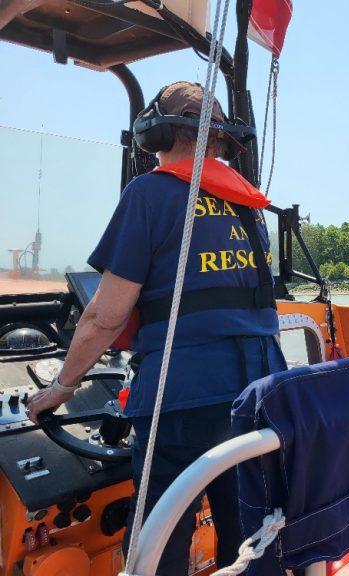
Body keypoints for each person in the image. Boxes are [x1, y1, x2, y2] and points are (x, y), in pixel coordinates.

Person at [27, 81, 287, 574]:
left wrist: (61, 388)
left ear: (156, 134)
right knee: (249, 540)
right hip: (258, 396)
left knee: (156, 546)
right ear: (221, 139)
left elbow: (104, 316)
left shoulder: (149, 194)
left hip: (182, 397)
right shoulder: (248, 205)